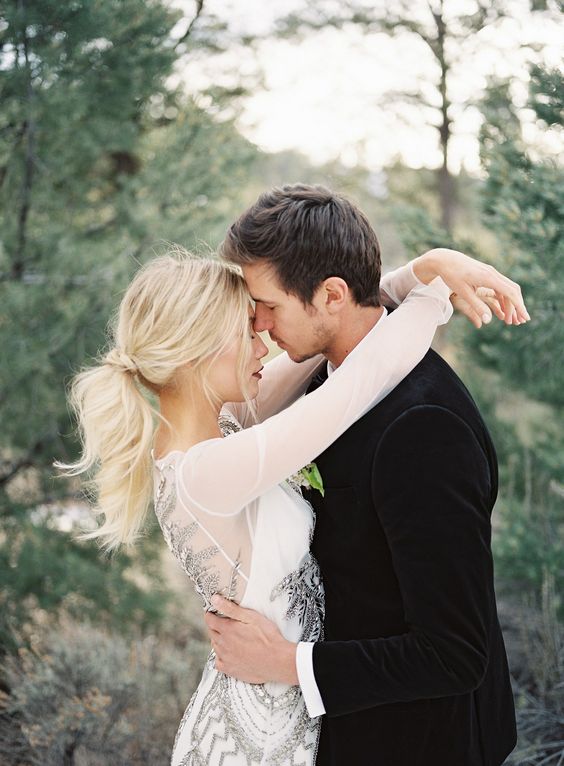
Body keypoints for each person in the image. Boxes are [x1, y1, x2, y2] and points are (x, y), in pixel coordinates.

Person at [56, 220, 525, 764]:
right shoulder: (210, 467)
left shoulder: (223, 419)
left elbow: (351, 335)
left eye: (266, 313)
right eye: (248, 326)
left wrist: (418, 274)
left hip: (317, 709)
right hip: (261, 723)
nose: (265, 337)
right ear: (198, 351)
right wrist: (431, 290)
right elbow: (355, 384)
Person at [203, 184, 523, 766]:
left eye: (269, 304)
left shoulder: (424, 428)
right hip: (348, 731)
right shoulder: (326, 376)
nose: (259, 324)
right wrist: (420, 273)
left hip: (421, 743)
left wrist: (284, 662)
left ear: (330, 295)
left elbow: (454, 654)